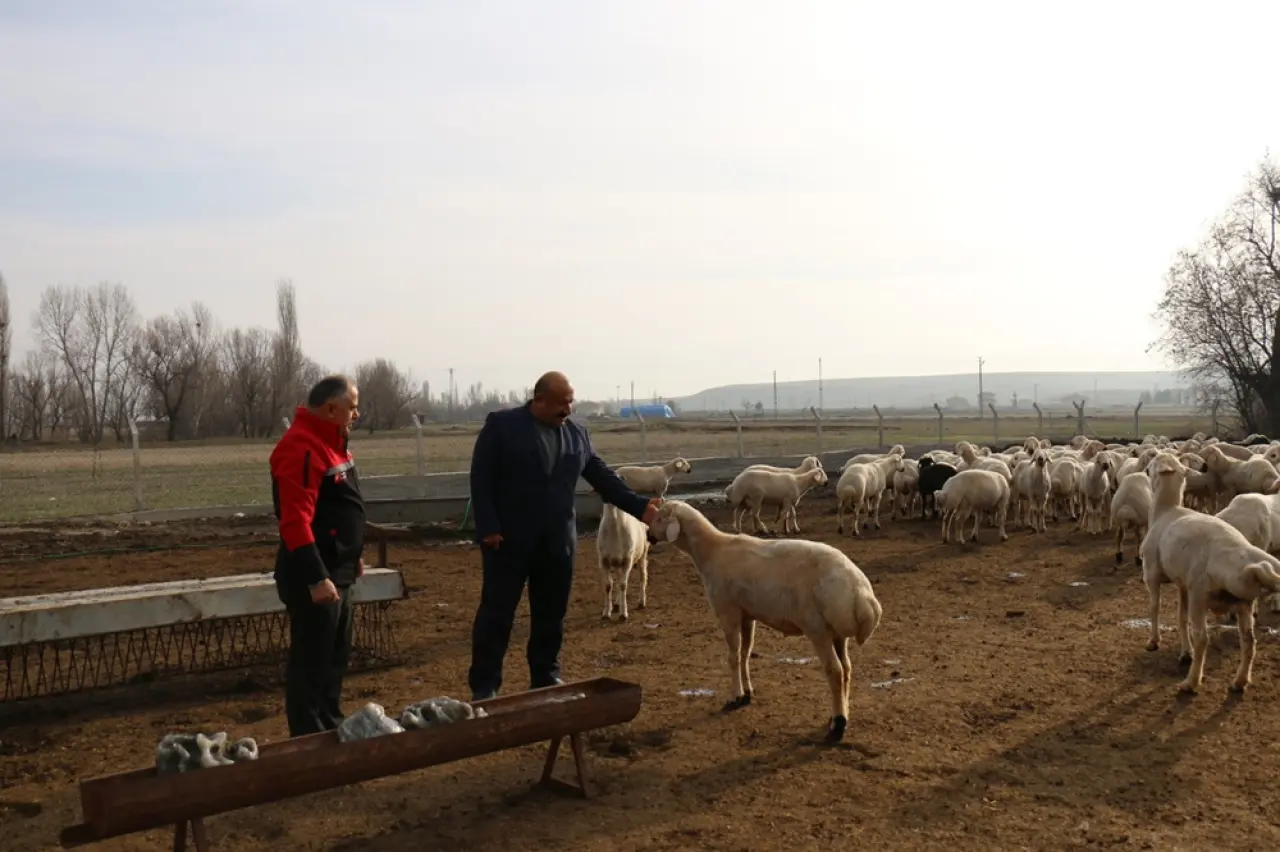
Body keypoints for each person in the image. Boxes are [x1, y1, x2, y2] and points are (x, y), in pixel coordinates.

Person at [467, 371, 661, 700]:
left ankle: (545, 677)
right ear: (538, 400)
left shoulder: (577, 435)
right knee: (497, 614)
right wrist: (488, 526)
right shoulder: (502, 426)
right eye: (562, 403)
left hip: (557, 542)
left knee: (551, 614)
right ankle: (485, 687)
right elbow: (481, 477)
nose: (568, 409)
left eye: (570, 402)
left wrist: (639, 507)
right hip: (508, 541)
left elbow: (602, 477)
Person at [270, 375, 366, 737]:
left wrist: (352, 555)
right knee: (312, 662)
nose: (357, 413)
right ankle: (308, 737)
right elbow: (295, 520)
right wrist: (316, 576)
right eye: (352, 407)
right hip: (314, 577)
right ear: (331, 409)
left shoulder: (333, 444)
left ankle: (330, 725)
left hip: (338, 571)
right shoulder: (301, 448)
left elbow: (342, 508)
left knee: (334, 658)